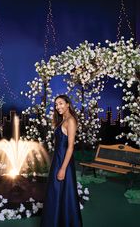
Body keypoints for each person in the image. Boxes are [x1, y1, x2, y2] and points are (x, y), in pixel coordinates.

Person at [41, 95, 83, 227]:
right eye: (56, 104)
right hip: (57, 160)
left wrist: (63, 168)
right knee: (55, 193)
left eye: (60, 103)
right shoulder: (62, 120)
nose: (58, 107)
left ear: (68, 104)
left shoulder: (70, 121)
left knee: (63, 193)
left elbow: (70, 147)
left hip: (63, 162)